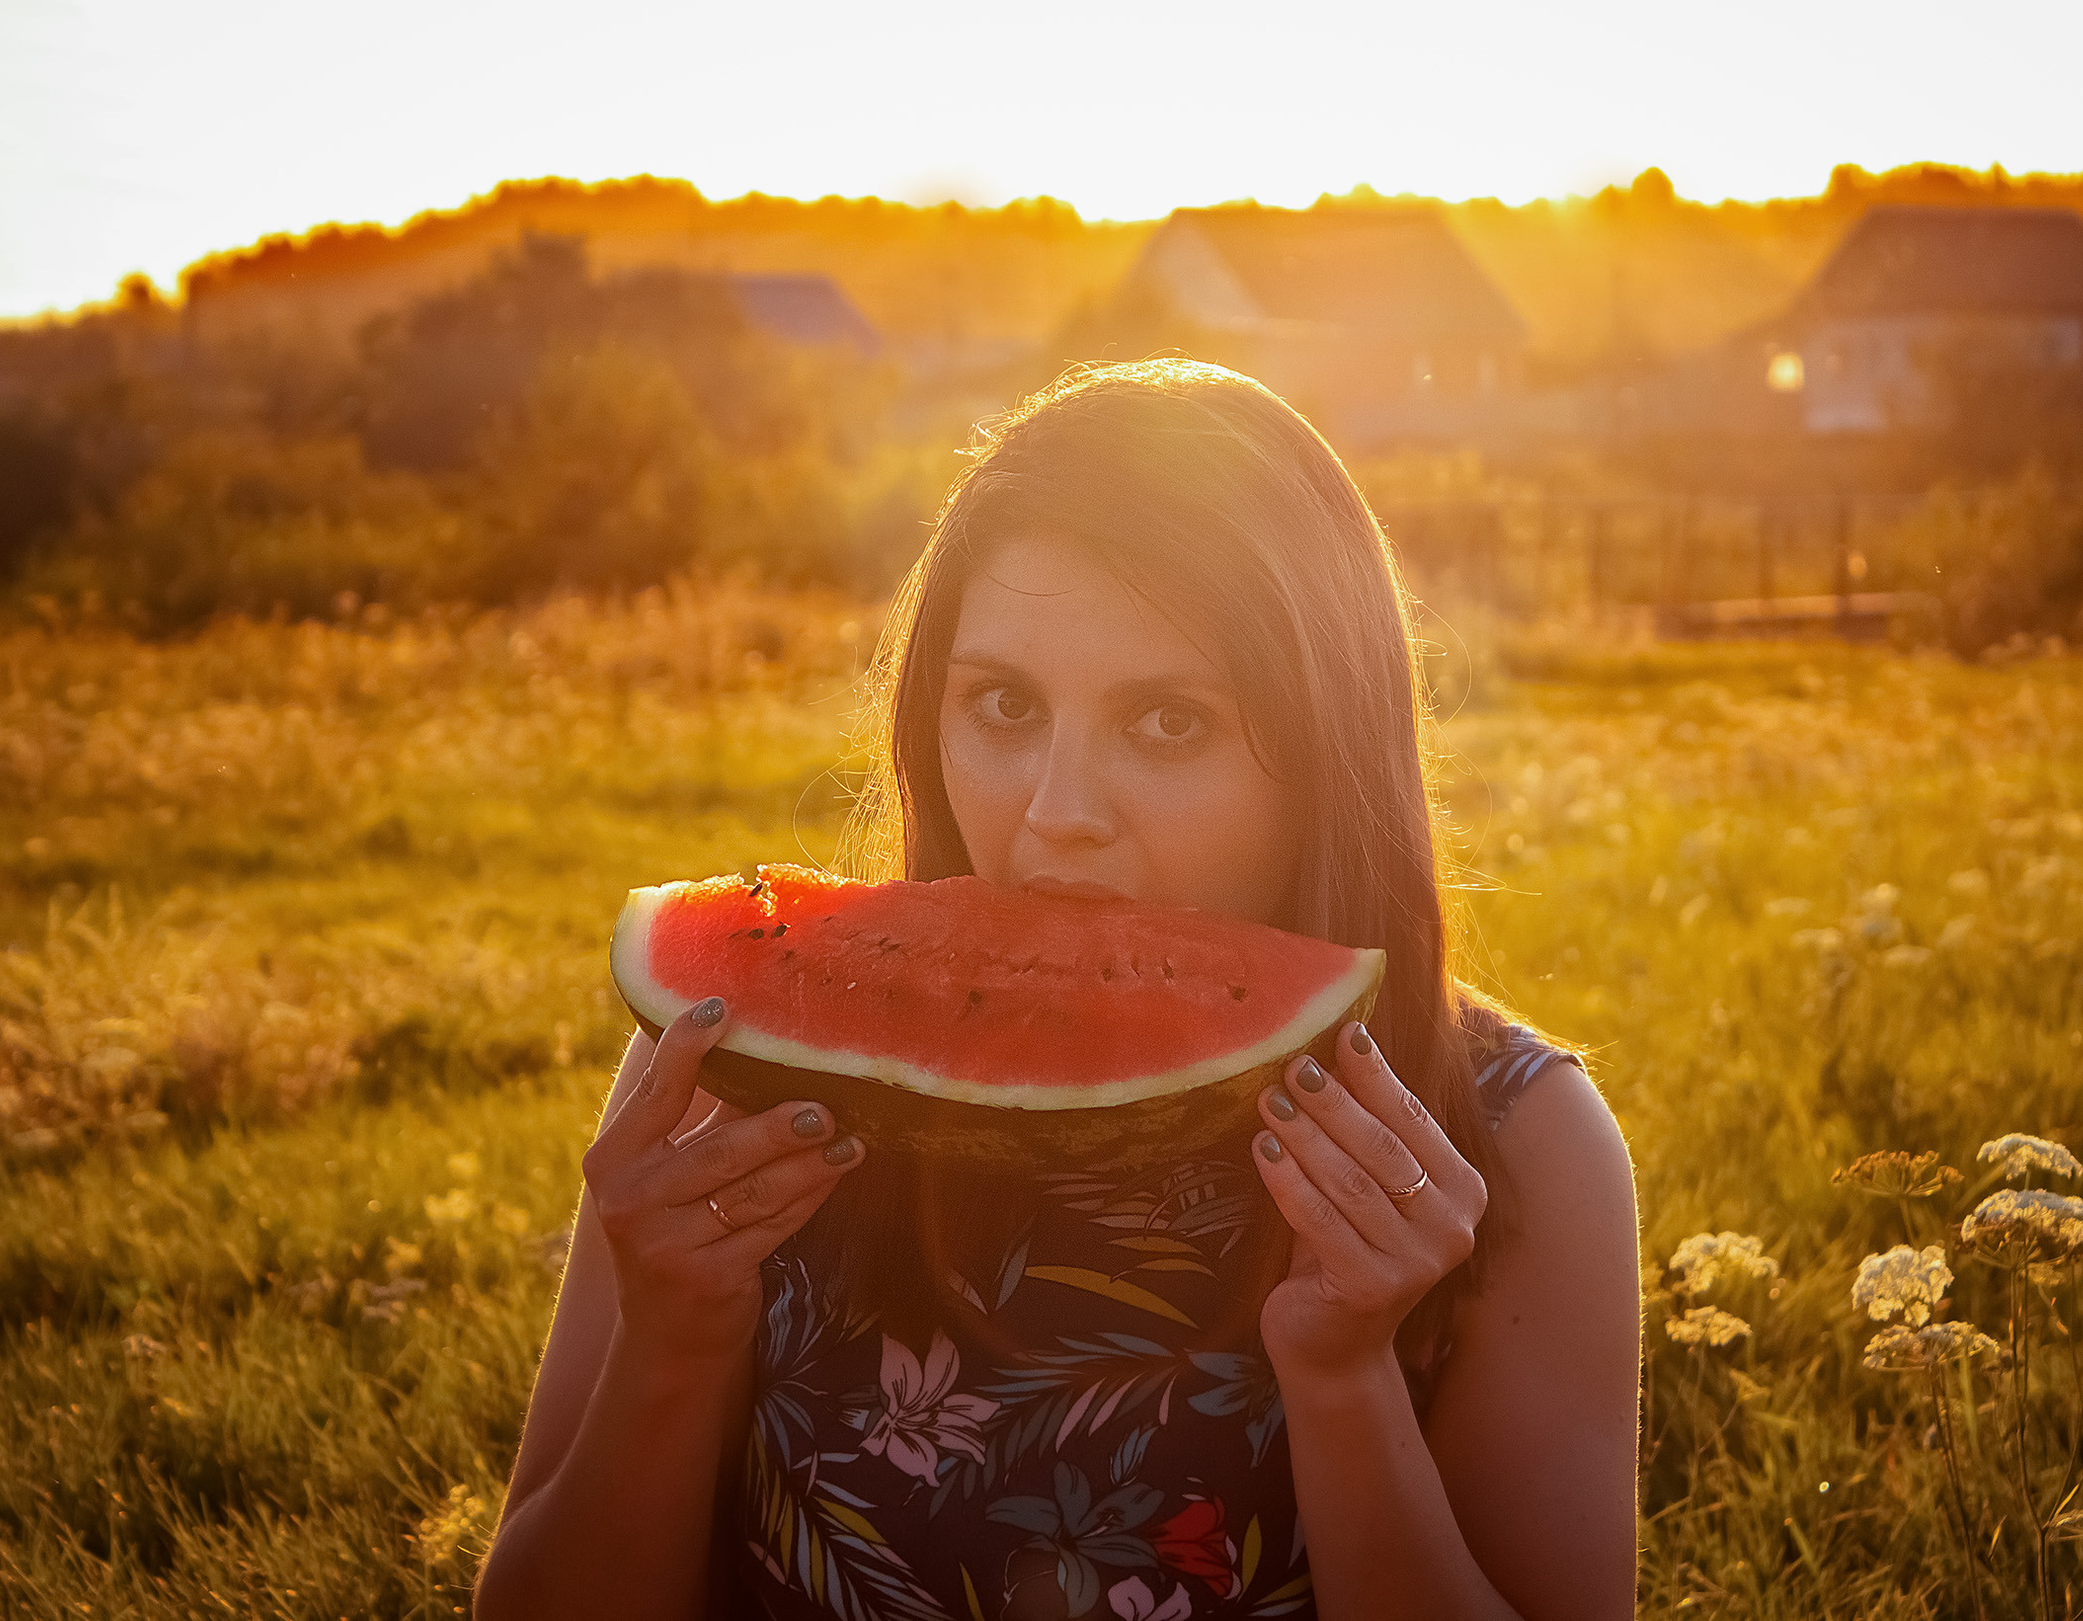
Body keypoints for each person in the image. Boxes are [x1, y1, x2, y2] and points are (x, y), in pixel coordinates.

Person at [475, 360, 1643, 1621]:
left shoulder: (1518, 1147)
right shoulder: (732, 1086)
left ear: (1323, 748)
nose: (1054, 814)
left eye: (1168, 723)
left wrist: (1344, 1379)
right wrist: (674, 1338)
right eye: (1001, 704)